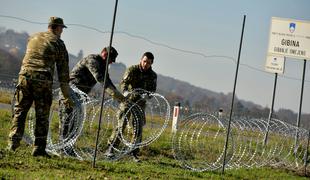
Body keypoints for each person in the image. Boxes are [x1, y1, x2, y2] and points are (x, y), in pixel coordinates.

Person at [7, 17, 74, 158]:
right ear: (57, 28)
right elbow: (63, 74)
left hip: (24, 76)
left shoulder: (33, 37)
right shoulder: (58, 43)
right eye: (62, 28)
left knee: (20, 110)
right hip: (42, 78)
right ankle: (39, 148)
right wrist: (67, 96)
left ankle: (12, 143)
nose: (62, 31)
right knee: (42, 114)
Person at [58, 46, 126, 156]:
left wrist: (118, 96)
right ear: (104, 53)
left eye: (112, 60)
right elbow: (100, 78)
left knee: (75, 123)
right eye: (109, 59)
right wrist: (116, 95)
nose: (110, 62)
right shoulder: (93, 60)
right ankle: (62, 149)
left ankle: (68, 149)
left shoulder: (103, 66)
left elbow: (107, 81)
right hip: (70, 93)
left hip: (79, 97)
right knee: (66, 121)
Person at [106, 52, 157, 162]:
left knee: (138, 128)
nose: (145, 64)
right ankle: (111, 148)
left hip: (140, 104)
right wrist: (124, 91)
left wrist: (148, 95)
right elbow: (123, 82)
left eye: (148, 63)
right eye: (144, 61)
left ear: (151, 63)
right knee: (121, 125)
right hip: (127, 101)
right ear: (141, 60)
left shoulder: (153, 75)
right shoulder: (132, 70)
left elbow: (153, 90)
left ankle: (133, 153)